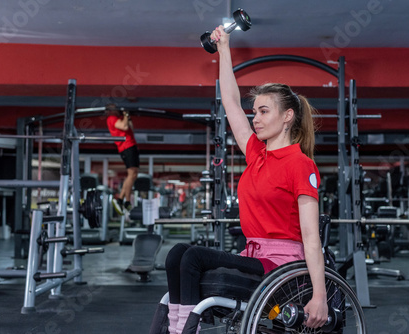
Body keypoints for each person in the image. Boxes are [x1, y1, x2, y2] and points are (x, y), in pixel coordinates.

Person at [160, 27, 328, 334]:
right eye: (255, 112)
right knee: (177, 255)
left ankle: (184, 329)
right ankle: (176, 327)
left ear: (288, 116)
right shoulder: (257, 154)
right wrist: (224, 50)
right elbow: (231, 104)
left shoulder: (301, 165)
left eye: (264, 111)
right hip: (253, 255)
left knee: (195, 256)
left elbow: (311, 237)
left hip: (282, 266)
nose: (256, 119)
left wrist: (320, 296)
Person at [106, 103, 139, 215]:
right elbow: (124, 127)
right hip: (126, 146)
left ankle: (121, 200)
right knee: (132, 174)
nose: (116, 109)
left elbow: (131, 127)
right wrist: (125, 114)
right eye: (114, 107)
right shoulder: (111, 118)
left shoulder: (119, 118)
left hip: (130, 145)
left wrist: (127, 116)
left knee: (133, 174)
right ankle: (126, 200)